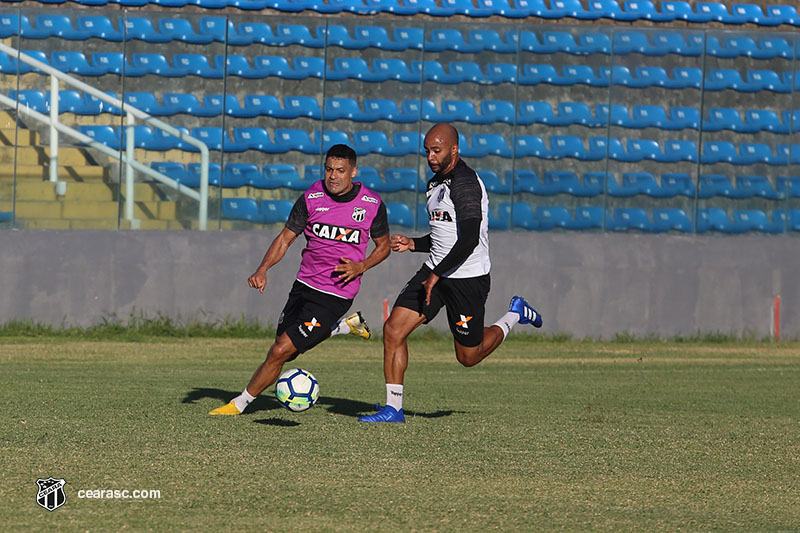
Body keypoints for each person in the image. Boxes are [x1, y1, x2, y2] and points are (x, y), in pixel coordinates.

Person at [359, 123, 542, 423]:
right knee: (394, 329)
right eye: (427, 150)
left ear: (454, 150)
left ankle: (514, 315)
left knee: (468, 357)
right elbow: (443, 238)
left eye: (436, 150)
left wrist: (438, 274)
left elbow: (469, 238)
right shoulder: (435, 184)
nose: (430, 156)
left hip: (466, 279)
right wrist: (414, 244)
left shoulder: (466, 183)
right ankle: (393, 408)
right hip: (436, 271)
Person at [210, 144, 391, 415]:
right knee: (285, 350)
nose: (333, 176)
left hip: (336, 294)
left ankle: (239, 404)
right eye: (329, 169)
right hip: (304, 285)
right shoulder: (312, 196)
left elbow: (384, 246)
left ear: (353, 172)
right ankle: (345, 327)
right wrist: (263, 269)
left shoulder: (371, 204)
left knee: (279, 351)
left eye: (340, 171)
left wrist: (361, 266)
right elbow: (285, 238)